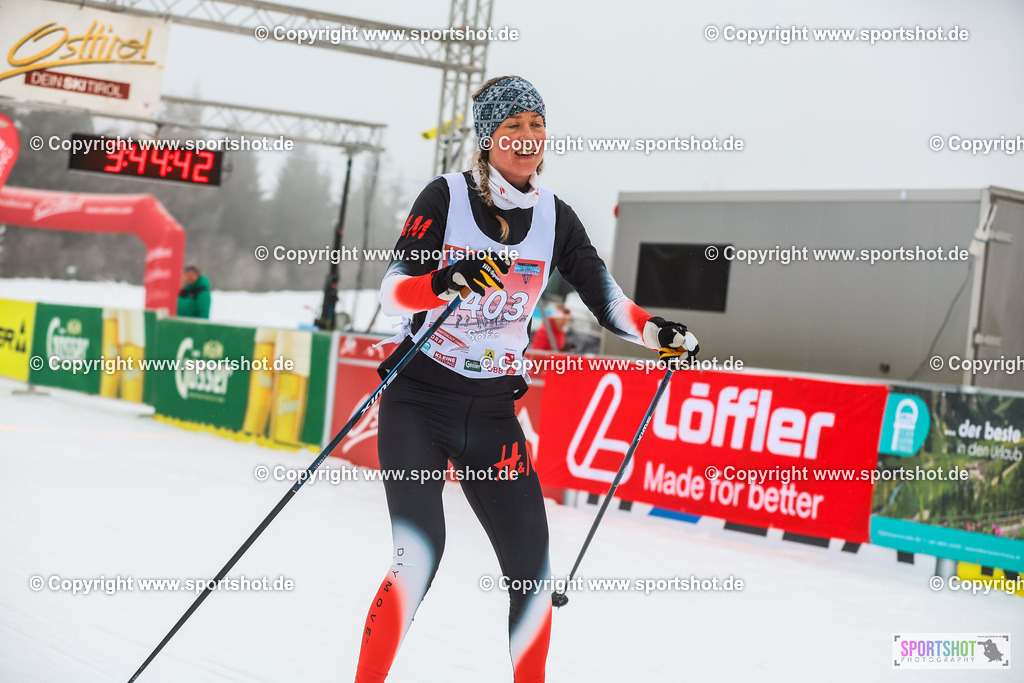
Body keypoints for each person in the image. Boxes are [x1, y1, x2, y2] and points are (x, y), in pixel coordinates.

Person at [356, 75, 698, 683]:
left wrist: (655, 332)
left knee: (533, 577)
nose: (527, 137)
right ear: (488, 138)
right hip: (420, 401)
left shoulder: (555, 218)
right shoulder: (446, 198)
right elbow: (393, 295)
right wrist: (445, 280)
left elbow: (607, 298)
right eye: (513, 126)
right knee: (418, 557)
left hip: (492, 416)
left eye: (536, 126)